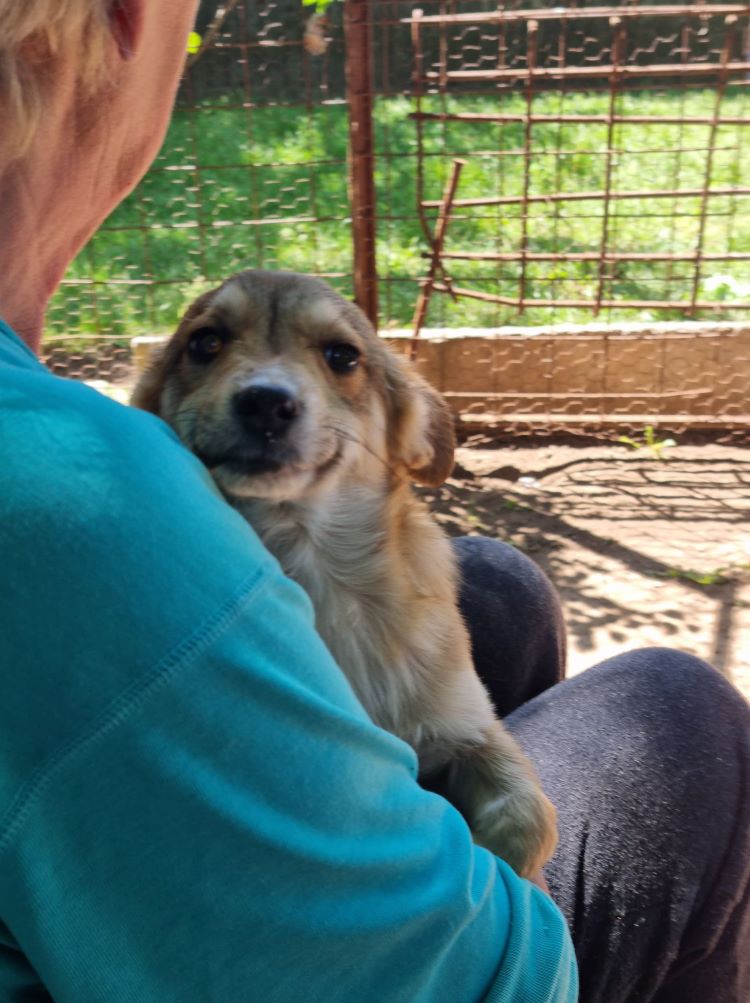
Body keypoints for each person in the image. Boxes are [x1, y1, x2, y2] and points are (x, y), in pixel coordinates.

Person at [0, 3, 747, 1000]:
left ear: (406, 427)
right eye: (210, 347)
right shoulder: (88, 495)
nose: (269, 387)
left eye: (336, 358)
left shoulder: (85, 443)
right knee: (677, 707)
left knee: (500, 588)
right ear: (130, 19)